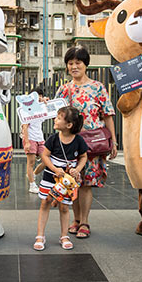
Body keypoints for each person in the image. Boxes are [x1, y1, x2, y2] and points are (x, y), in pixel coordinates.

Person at [55, 46, 117, 239]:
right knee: (72, 182)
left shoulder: (98, 87)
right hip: (70, 144)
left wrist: (114, 141)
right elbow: (55, 115)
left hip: (92, 145)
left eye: (78, 62)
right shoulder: (64, 89)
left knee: (87, 184)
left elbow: (107, 115)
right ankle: (75, 220)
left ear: (85, 65)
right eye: (70, 63)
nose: (74, 66)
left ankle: (85, 222)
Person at [34, 107, 88, 251]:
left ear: (69, 125)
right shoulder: (53, 139)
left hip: (67, 182)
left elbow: (83, 156)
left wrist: (78, 169)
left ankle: (64, 236)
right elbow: (45, 155)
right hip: (50, 178)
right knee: (45, 202)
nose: (55, 120)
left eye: (58, 118)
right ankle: (40, 236)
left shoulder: (78, 140)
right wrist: (54, 169)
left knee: (64, 207)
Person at [21, 85, 46, 194]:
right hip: (30, 138)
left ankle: (33, 174)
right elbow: (24, 126)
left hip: (40, 138)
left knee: (46, 161)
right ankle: (32, 185)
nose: (39, 97)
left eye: (40, 95)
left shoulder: (41, 108)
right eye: (37, 95)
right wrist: (27, 142)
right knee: (30, 162)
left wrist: (46, 103)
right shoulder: (27, 109)